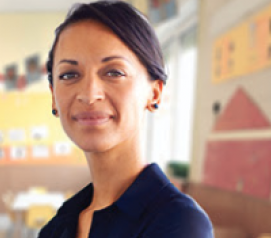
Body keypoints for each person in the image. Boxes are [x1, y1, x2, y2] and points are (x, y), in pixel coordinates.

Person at [40, 1, 214, 238]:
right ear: (53, 97)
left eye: (114, 72)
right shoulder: (59, 224)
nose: (90, 95)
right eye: (69, 74)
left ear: (154, 93)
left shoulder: (179, 222)